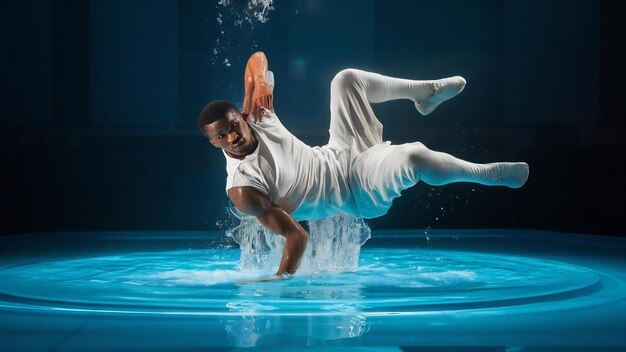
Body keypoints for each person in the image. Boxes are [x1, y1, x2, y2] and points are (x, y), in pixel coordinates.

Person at [198, 52, 529, 282]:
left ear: (240, 118)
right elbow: (296, 235)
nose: (232, 137)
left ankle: (423, 94)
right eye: (222, 136)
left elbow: (257, 58)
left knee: (344, 80)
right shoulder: (244, 188)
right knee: (413, 155)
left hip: (341, 150)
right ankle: (487, 174)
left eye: (233, 126)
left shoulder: (257, 116)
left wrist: (257, 84)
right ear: (214, 143)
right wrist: (279, 279)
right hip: (354, 192)